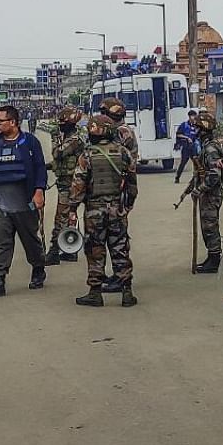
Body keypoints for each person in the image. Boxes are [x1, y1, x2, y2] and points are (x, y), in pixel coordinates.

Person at [0, 104, 49, 299]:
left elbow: (40, 168)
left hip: (24, 203)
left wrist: (39, 192)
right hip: (1, 203)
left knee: (31, 240)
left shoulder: (30, 142)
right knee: (1, 242)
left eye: (1, 121)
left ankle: (38, 268)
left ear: (13, 122)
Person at [71, 114, 139, 307]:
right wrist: (127, 206)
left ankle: (95, 292)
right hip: (117, 210)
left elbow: (78, 184)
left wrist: (72, 208)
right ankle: (127, 292)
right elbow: (132, 184)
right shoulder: (123, 152)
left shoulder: (87, 155)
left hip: (94, 211)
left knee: (95, 250)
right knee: (120, 248)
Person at [44, 105, 85, 265]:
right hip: (67, 182)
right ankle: (70, 250)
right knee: (70, 216)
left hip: (71, 184)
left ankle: (54, 251)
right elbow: (59, 161)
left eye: (62, 123)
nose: (60, 126)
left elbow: (58, 153)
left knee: (61, 217)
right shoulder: (70, 136)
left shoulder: (74, 139)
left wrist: (54, 137)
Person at [191, 112, 223, 274]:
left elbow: (214, 175)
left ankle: (214, 259)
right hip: (208, 193)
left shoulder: (211, 148)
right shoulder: (207, 145)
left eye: (197, 128)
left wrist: (200, 189)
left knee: (210, 225)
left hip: (211, 194)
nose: (195, 131)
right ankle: (212, 256)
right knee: (207, 226)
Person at [174, 110, 198, 184]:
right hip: (186, 147)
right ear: (189, 116)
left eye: (195, 116)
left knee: (196, 163)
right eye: (192, 116)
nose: (194, 117)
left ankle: (194, 179)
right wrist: (187, 138)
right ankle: (177, 177)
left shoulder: (196, 126)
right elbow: (178, 134)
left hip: (193, 147)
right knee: (183, 163)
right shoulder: (184, 125)